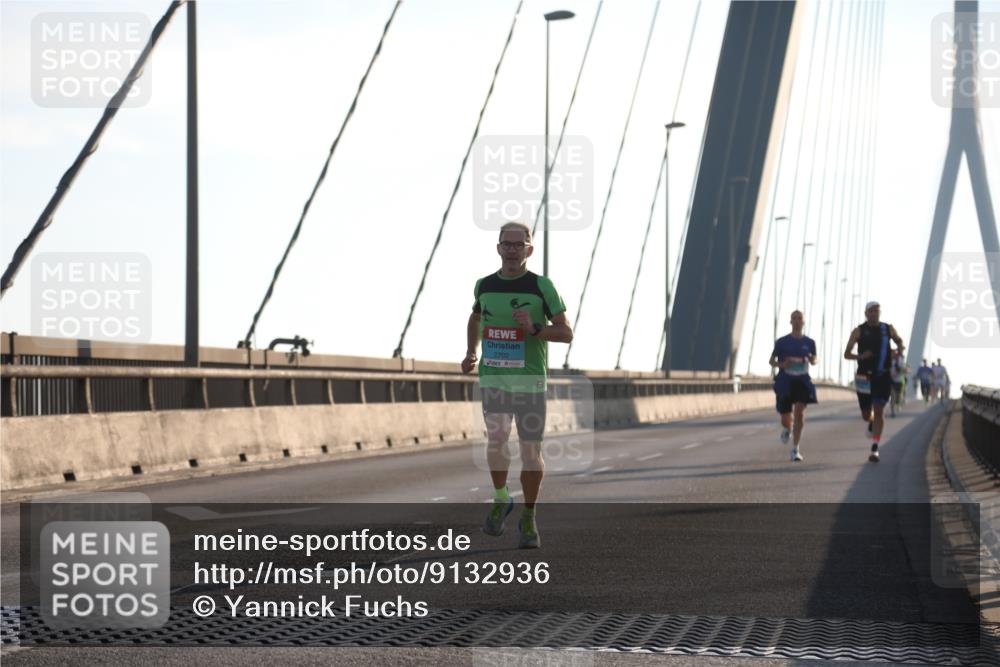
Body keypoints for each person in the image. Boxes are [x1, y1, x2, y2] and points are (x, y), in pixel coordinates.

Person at [461, 221, 573, 549]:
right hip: (494, 378)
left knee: (529, 452)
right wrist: (471, 351)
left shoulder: (542, 287)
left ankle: (528, 515)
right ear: (498, 248)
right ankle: (500, 498)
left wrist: (536, 327)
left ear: (529, 249)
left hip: (530, 383)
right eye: (506, 244)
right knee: (496, 439)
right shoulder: (484, 285)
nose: (512, 250)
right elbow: (476, 317)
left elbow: (566, 333)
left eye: (518, 244)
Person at [843, 301, 905, 463]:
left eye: (877, 311)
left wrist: (898, 351)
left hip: (882, 375)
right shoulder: (858, 331)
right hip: (864, 376)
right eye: (871, 311)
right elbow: (847, 354)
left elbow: (899, 342)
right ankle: (870, 423)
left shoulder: (887, 329)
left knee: (879, 410)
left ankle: (875, 448)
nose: (874, 314)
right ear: (866, 313)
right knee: (866, 414)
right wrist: (860, 356)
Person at [768, 310, 818, 462]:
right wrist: (782, 364)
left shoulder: (809, 343)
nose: (796, 321)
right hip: (785, 381)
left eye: (799, 318)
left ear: (803, 322)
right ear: (790, 322)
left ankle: (795, 449)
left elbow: (815, 360)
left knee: (800, 414)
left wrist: (812, 359)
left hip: (802, 381)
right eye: (794, 318)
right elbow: (771, 361)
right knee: (785, 418)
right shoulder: (782, 342)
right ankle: (787, 429)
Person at [889, 351, 907, 417]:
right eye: (892, 353)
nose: (893, 355)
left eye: (894, 354)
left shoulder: (900, 361)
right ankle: (892, 412)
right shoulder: (888, 361)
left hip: (899, 381)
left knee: (898, 396)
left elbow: (905, 369)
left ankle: (898, 404)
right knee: (892, 396)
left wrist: (902, 370)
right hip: (891, 381)